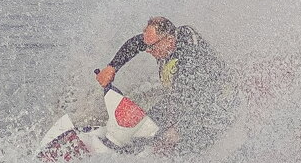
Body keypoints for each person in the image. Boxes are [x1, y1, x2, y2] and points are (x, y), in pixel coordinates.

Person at [95, 16, 234, 155]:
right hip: (190, 102)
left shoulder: (190, 55)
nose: (147, 50)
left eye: (151, 46)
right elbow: (135, 44)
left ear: (169, 40)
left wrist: (152, 129)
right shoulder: (162, 41)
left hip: (218, 113)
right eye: (147, 45)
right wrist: (112, 67)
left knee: (166, 142)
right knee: (150, 130)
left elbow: (186, 101)